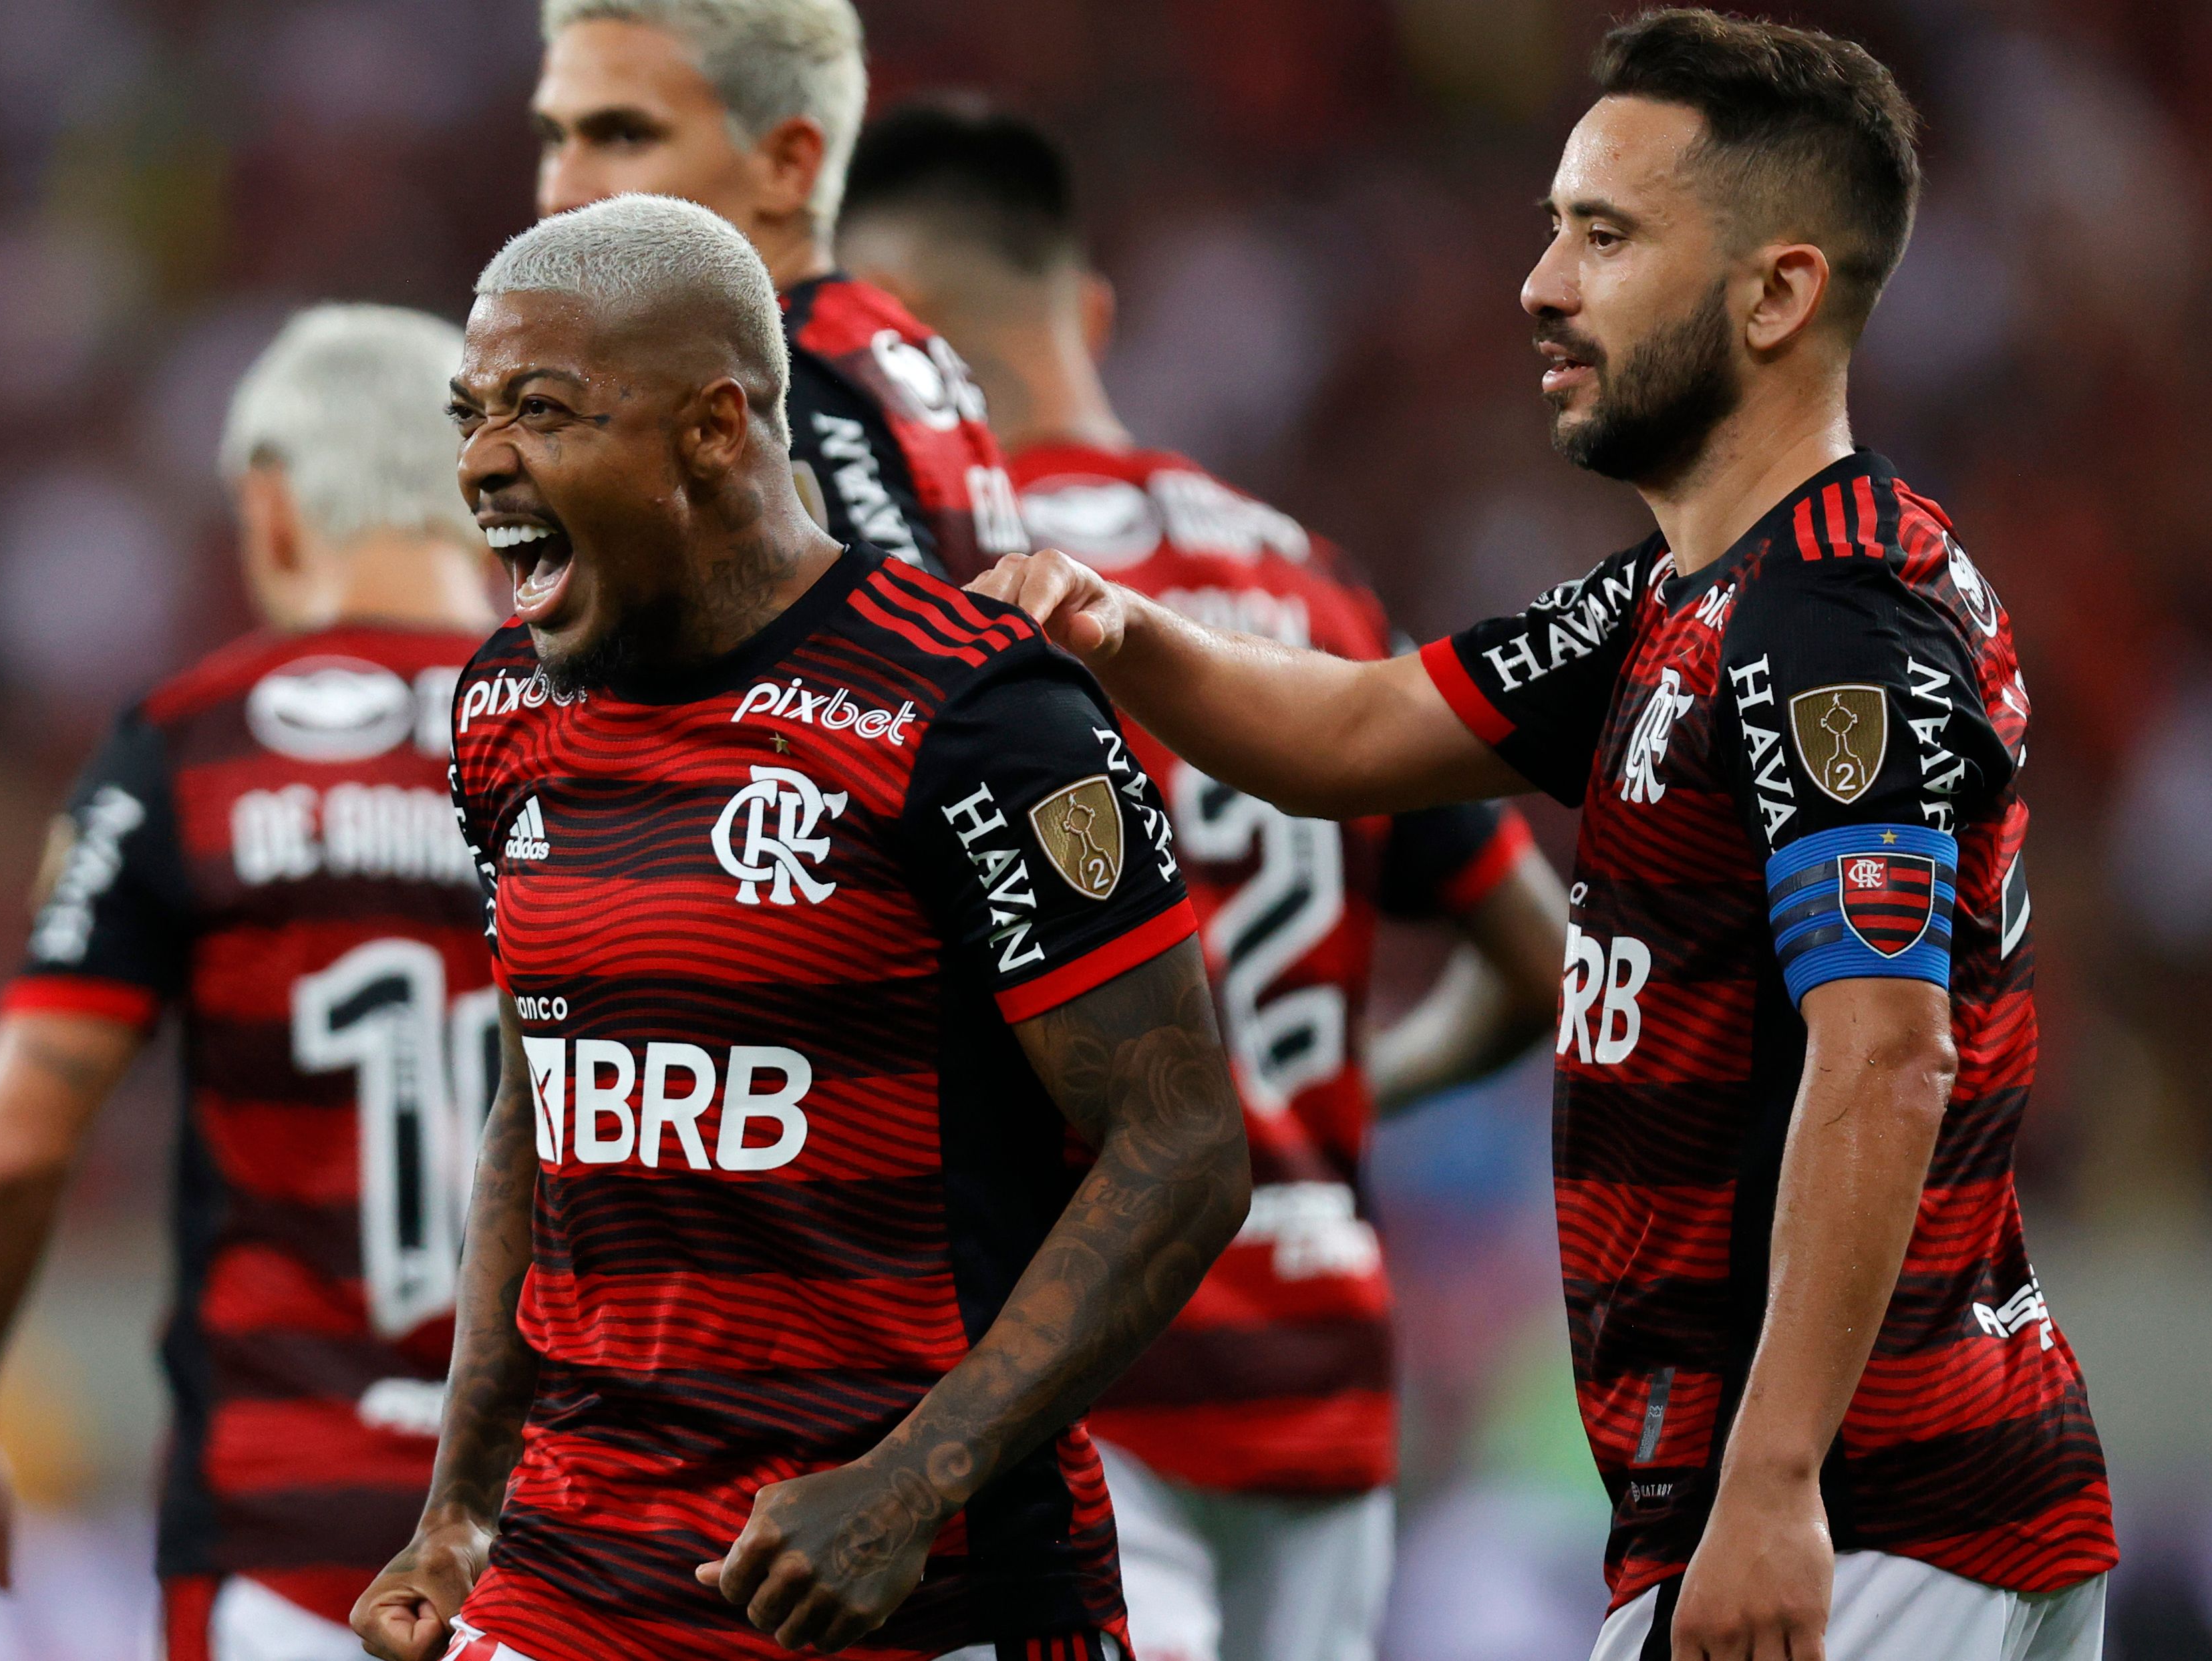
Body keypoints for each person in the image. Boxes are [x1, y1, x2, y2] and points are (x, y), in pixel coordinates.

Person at [975, 12, 2114, 1661]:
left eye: (1603, 235)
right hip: (1830, 1506)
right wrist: (1114, 631)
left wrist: (1772, 1481)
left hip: (1870, 1513)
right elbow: (1351, 732)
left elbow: (1883, 1055)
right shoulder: (1680, 600)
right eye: (1549, 230)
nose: (1541, 285)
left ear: (1776, 293)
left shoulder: (1833, 619)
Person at [350, 193, 1251, 1661]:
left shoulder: (973, 713)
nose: (480, 462)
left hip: (916, 1590)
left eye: (541, 410)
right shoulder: (503, 705)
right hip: (579, 1577)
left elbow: (1182, 1149)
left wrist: (905, 1488)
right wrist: (461, 1509)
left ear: (713, 427)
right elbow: (540, 1097)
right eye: (469, 413)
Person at [839, 105, 1569, 1661]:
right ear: (1086, 312)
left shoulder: (948, 609)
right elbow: (1536, 955)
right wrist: (1357, 1086)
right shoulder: (1307, 575)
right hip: (1322, 1363)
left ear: (897, 368)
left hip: (1091, 1374)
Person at [0, 304, 505, 1661]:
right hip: (581, 1551)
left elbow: (8, 1153)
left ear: (273, 510)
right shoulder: (624, 742)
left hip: (285, 1550)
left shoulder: (188, 754)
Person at [530, 0, 1028, 581]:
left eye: (625, 136)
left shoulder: (765, 385)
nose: (559, 193)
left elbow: (904, 663)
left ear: (786, 165)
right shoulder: (871, 345)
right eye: (554, 137)